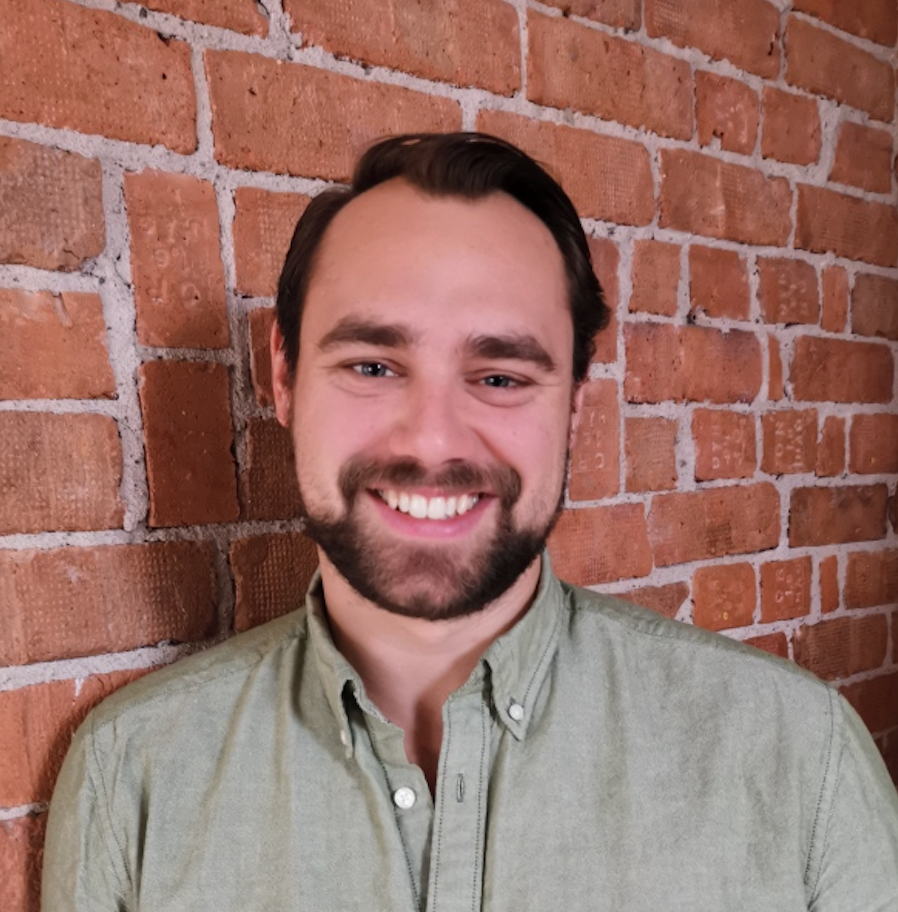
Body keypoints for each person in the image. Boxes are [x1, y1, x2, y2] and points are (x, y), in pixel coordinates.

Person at [43, 133, 898, 911]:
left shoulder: (798, 762)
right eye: (373, 366)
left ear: (574, 406)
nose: (433, 441)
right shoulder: (133, 777)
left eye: (499, 378)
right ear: (285, 375)